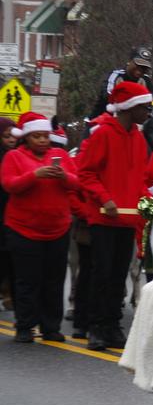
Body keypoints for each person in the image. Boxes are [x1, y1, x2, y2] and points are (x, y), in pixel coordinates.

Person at [77, 82, 153, 351]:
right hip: (104, 219)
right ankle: (95, 327)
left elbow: (138, 180)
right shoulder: (102, 134)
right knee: (101, 274)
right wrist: (106, 199)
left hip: (127, 219)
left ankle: (113, 326)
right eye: (144, 108)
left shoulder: (138, 139)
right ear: (129, 108)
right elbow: (86, 174)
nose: (148, 113)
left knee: (118, 276)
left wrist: (148, 204)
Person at [0, 113, 78, 342]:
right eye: (37, 136)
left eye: (45, 136)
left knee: (53, 280)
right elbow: (9, 185)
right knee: (27, 280)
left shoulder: (61, 155)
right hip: (23, 229)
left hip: (58, 228)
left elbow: (76, 183)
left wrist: (63, 176)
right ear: (26, 138)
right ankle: (25, 326)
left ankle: (50, 326)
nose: (43, 140)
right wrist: (35, 175)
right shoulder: (14, 156)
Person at [89, 47, 153, 120]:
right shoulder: (116, 76)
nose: (140, 69)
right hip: (100, 120)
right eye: (138, 64)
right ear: (130, 61)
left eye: (144, 67)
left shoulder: (146, 81)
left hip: (129, 123)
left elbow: (149, 104)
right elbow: (108, 95)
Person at [0, 117, 17, 311]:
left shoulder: (17, 156)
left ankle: (10, 292)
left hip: (11, 213)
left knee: (10, 256)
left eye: (13, 136)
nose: (11, 140)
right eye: (6, 136)